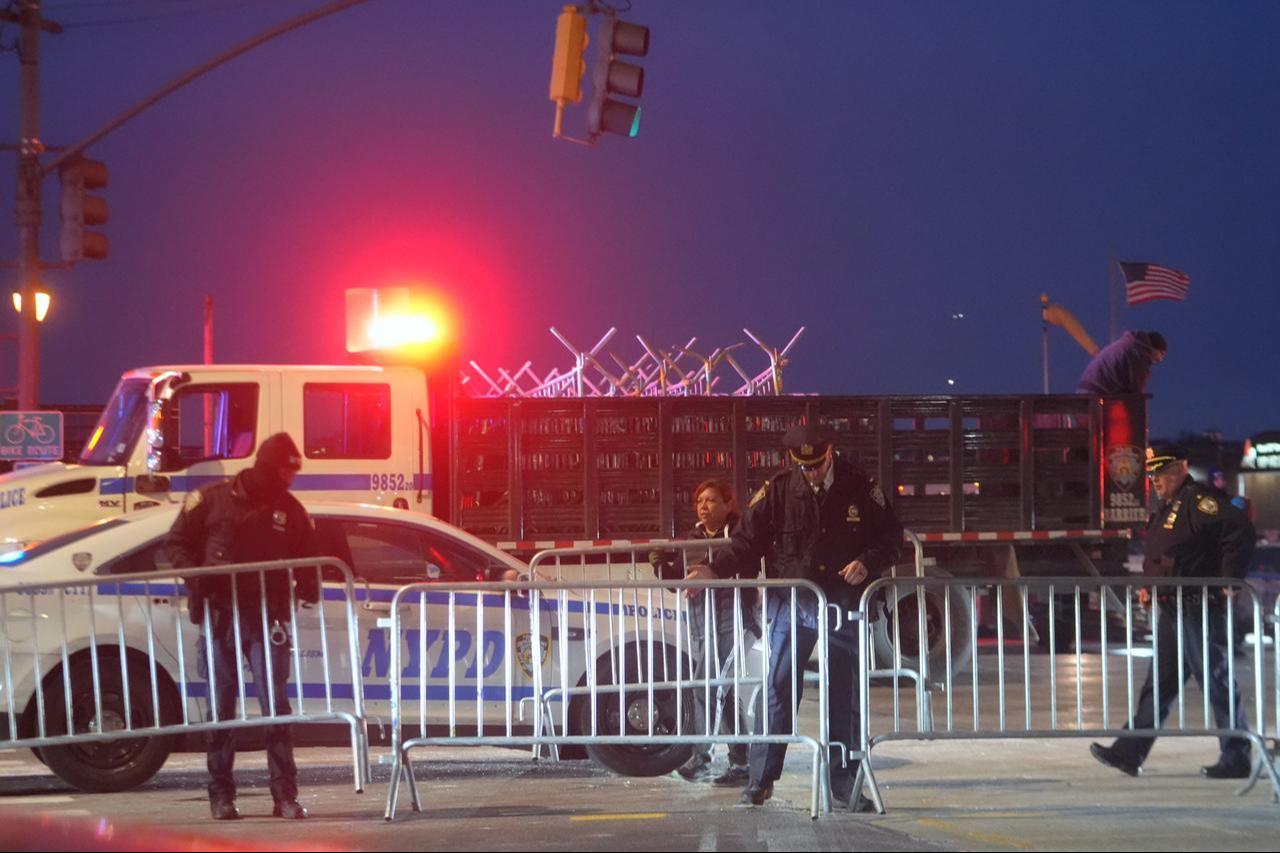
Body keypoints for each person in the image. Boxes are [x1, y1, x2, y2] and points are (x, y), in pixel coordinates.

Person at [687, 424, 903, 810]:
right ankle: (761, 779)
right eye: (804, 466)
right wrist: (712, 569)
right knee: (778, 689)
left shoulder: (858, 485)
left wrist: (868, 562)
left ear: (830, 453)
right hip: (790, 604)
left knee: (844, 693)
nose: (812, 473)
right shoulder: (780, 488)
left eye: (817, 465)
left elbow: (891, 538)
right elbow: (746, 542)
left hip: (840, 602)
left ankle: (843, 783)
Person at [168, 433, 319, 820]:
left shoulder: (290, 509)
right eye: (289, 467)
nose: (293, 476)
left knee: (276, 709)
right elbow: (177, 543)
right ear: (270, 465)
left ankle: (284, 795)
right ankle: (221, 796)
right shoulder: (213, 499)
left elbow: (306, 555)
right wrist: (197, 578)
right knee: (221, 709)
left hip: (268, 617)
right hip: (221, 614)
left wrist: (309, 585)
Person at [1090, 444, 1256, 779]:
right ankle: (1129, 752)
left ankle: (1237, 757)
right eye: (1152, 474)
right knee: (1159, 686)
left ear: (1181, 468)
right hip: (1171, 609)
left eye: (1161, 473)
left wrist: (1230, 578)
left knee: (1216, 682)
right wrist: (1150, 586)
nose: (1154, 480)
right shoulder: (1170, 506)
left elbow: (1239, 531)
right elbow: (1166, 554)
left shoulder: (1199, 502)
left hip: (1198, 608)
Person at [673, 480, 759, 787]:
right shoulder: (692, 539)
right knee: (724, 688)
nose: (704, 507)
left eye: (711, 500)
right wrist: (662, 567)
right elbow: (679, 581)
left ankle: (702, 758)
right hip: (702, 623)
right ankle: (742, 761)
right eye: (699, 501)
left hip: (734, 620)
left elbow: (744, 564)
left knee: (704, 684)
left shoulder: (739, 536)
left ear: (727, 504)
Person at [1076, 330, 1167, 395]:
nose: (1161, 359)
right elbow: (1136, 390)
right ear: (1154, 348)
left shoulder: (1129, 344)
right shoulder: (1139, 353)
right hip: (1096, 393)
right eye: (1161, 354)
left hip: (1087, 390)